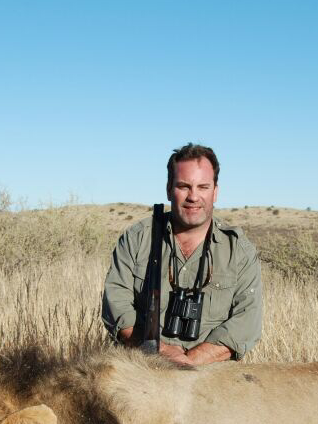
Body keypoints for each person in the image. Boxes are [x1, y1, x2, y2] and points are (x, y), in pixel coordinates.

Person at [102, 143, 262, 365]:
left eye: (203, 187)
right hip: (144, 367)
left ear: (215, 192)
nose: (193, 197)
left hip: (210, 376)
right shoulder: (137, 239)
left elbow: (247, 321)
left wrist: (190, 361)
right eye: (183, 186)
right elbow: (116, 302)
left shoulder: (239, 251)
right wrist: (159, 351)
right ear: (169, 189)